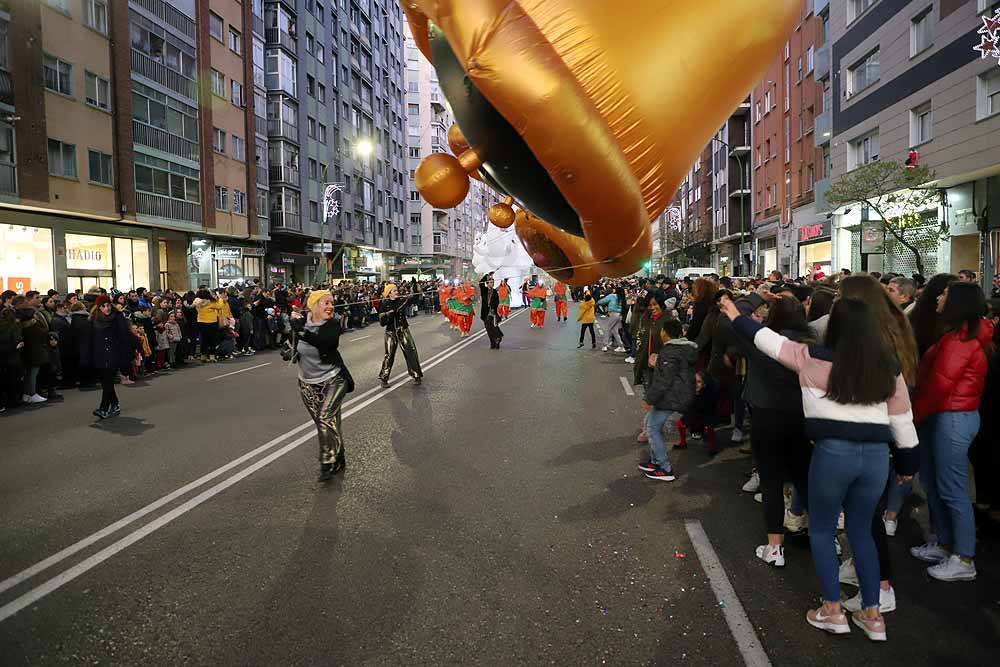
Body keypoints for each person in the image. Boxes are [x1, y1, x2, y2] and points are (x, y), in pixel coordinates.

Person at [721, 294, 918, 642]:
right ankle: (873, 616)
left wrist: (737, 314)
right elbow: (903, 420)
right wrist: (906, 464)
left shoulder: (811, 357)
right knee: (861, 533)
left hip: (832, 455)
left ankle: (832, 610)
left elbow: (766, 340)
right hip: (875, 459)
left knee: (823, 531)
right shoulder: (888, 365)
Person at [910, 282, 993, 581]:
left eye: (944, 294)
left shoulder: (961, 342)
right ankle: (945, 543)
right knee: (934, 481)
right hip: (944, 417)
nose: (938, 297)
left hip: (952, 418)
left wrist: (913, 418)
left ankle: (963, 557)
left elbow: (938, 387)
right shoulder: (956, 336)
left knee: (952, 488)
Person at [741, 295, 813, 568]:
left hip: (766, 418)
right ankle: (823, 537)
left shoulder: (763, 341)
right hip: (803, 418)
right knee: (806, 481)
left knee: (771, 482)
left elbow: (734, 316)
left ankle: (775, 547)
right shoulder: (812, 343)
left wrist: (760, 295)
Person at [290, 290, 355, 481]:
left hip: (333, 379)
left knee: (324, 417)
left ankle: (327, 462)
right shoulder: (302, 320)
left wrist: (301, 331)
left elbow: (327, 343)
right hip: (307, 383)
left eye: (332, 303)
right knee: (327, 423)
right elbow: (294, 344)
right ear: (314, 305)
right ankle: (339, 455)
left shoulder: (333, 324)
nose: (330, 306)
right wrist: (290, 350)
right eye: (325, 303)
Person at [639, 318, 696, 482]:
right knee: (651, 422)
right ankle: (655, 461)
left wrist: (649, 399)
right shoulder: (682, 348)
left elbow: (664, 380)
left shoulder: (670, 351)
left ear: (665, 333)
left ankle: (664, 468)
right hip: (678, 393)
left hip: (673, 396)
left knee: (652, 428)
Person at [81, 294, 132, 419]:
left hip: (114, 354)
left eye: (108, 305)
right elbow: (90, 339)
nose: (107, 308)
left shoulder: (118, 318)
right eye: (103, 306)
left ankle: (103, 408)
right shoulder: (94, 319)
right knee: (105, 382)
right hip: (99, 354)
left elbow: (124, 337)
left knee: (108, 381)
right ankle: (114, 403)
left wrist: (125, 356)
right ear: (98, 307)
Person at [378, 284, 423, 386]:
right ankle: (384, 378)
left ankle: (416, 375)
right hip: (390, 332)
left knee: (411, 351)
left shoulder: (401, 301)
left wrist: (415, 287)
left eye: (396, 290)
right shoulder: (385, 304)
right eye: (394, 291)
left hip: (403, 330)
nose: (396, 292)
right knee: (389, 355)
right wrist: (388, 314)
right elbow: (382, 322)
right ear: (389, 293)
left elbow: (414, 298)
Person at [479, 274, 503, 349]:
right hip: (485, 312)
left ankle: (498, 338)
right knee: (488, 328)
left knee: (494, 326)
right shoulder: (484, 290)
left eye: (493, 282)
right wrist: (487, 275)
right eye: (490, 282)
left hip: (493, 312)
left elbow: (497, 302)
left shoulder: (495, 292)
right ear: (487, 283)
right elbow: (480, 283)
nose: (492, 284)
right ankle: (493, 343)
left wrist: (492, 305)